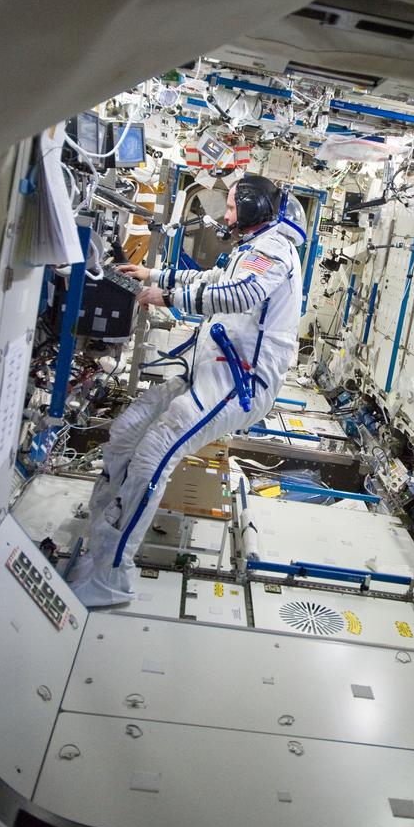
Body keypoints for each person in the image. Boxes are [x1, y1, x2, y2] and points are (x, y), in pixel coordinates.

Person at [70, 174, 306, 607]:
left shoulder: (275, 250)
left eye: (233, 204)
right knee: (125, 434)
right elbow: (218, 277)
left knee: (151, 455)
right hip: (210, 369)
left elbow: (238, 294)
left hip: (239, 381)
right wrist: (152, 272)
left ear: (254, 208)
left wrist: (168, 296)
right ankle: (97, 545)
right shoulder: (254, 247)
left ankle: (109, 581)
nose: (227, 212)